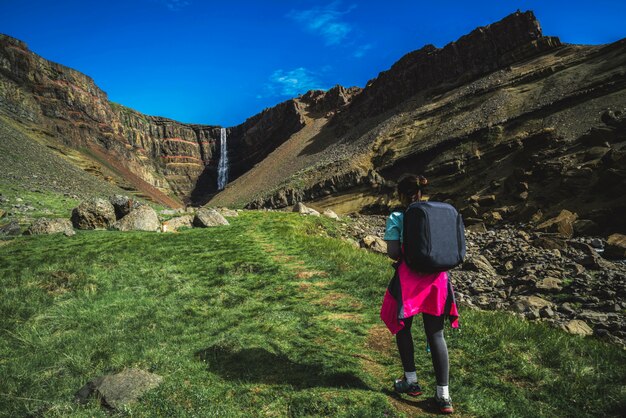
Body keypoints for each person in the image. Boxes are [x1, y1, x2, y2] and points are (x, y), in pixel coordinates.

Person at [380, 174, 459, 415]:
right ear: (421, 193)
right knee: (436, 335)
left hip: (409, 280)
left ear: (401, 195)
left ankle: (411, 381)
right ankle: (443, 396)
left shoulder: (397, 216)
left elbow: (394, 253)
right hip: (438, 280)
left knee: (403, 327)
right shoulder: (438, 212)